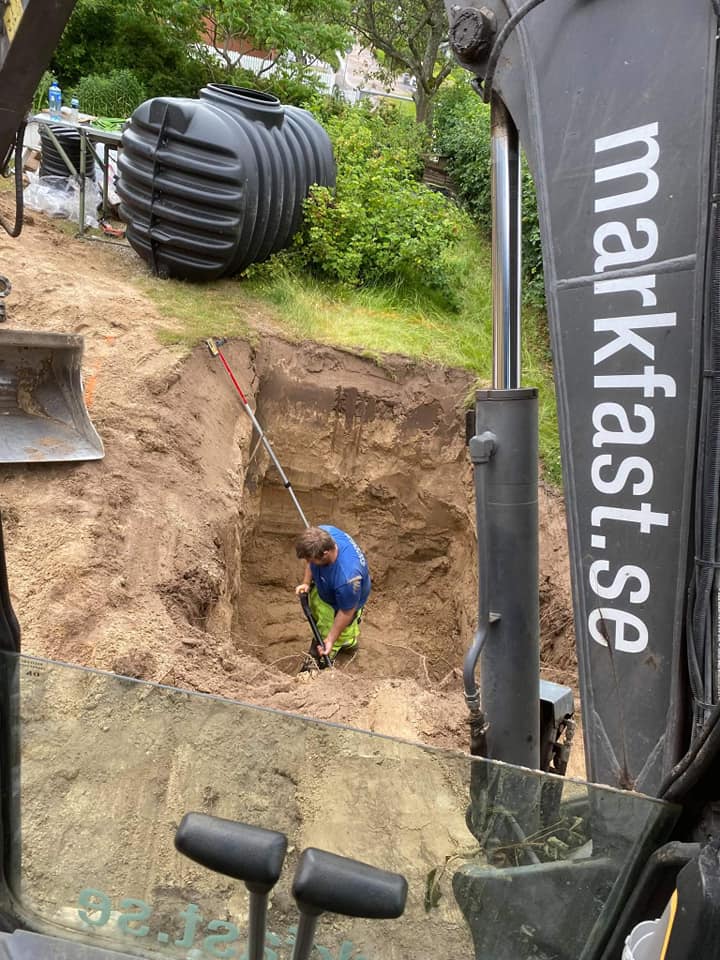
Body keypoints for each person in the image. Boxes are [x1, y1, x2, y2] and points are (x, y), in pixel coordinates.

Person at [295, 524, 371, 660]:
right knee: (322, 616)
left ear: (325, 554)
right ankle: (349, 642)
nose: (308, 562)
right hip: (327, 588)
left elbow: (346, 612)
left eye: (311, 560)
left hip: (343, 604)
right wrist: (306, 582)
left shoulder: (347, 578)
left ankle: (323, 659)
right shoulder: (324, 533)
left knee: (330, 633)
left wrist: (330, 640)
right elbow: (311, 562)